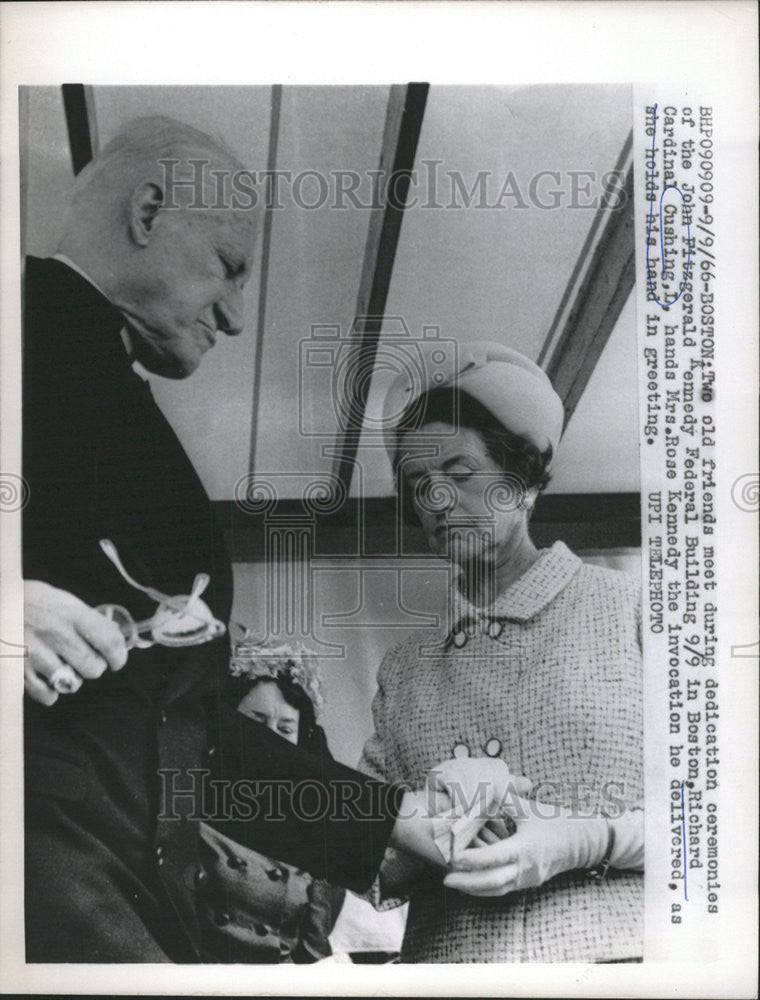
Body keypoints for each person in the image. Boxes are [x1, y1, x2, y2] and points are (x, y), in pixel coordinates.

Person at [21, 117, 513, 962]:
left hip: (125, 889)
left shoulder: (109, 385)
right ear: (148, 212)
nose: (238, 318)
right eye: (229, 268)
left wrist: (396, 817)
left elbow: (188, 735)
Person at [359, 341, 645, 963]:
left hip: (617, 965)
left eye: (459, 474)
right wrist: (423, 826)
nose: (435, 501)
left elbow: (726, 819)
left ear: (521, 482)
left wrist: (590, 839)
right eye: (418, 484)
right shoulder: (405, 671)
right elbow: (372, 861)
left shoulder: (634, 613)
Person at [198, 636, 346, 963]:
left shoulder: (313, 823)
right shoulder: (190, 799)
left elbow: (313, 947)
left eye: (284, 728)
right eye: (256, 722)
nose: (269, 741)